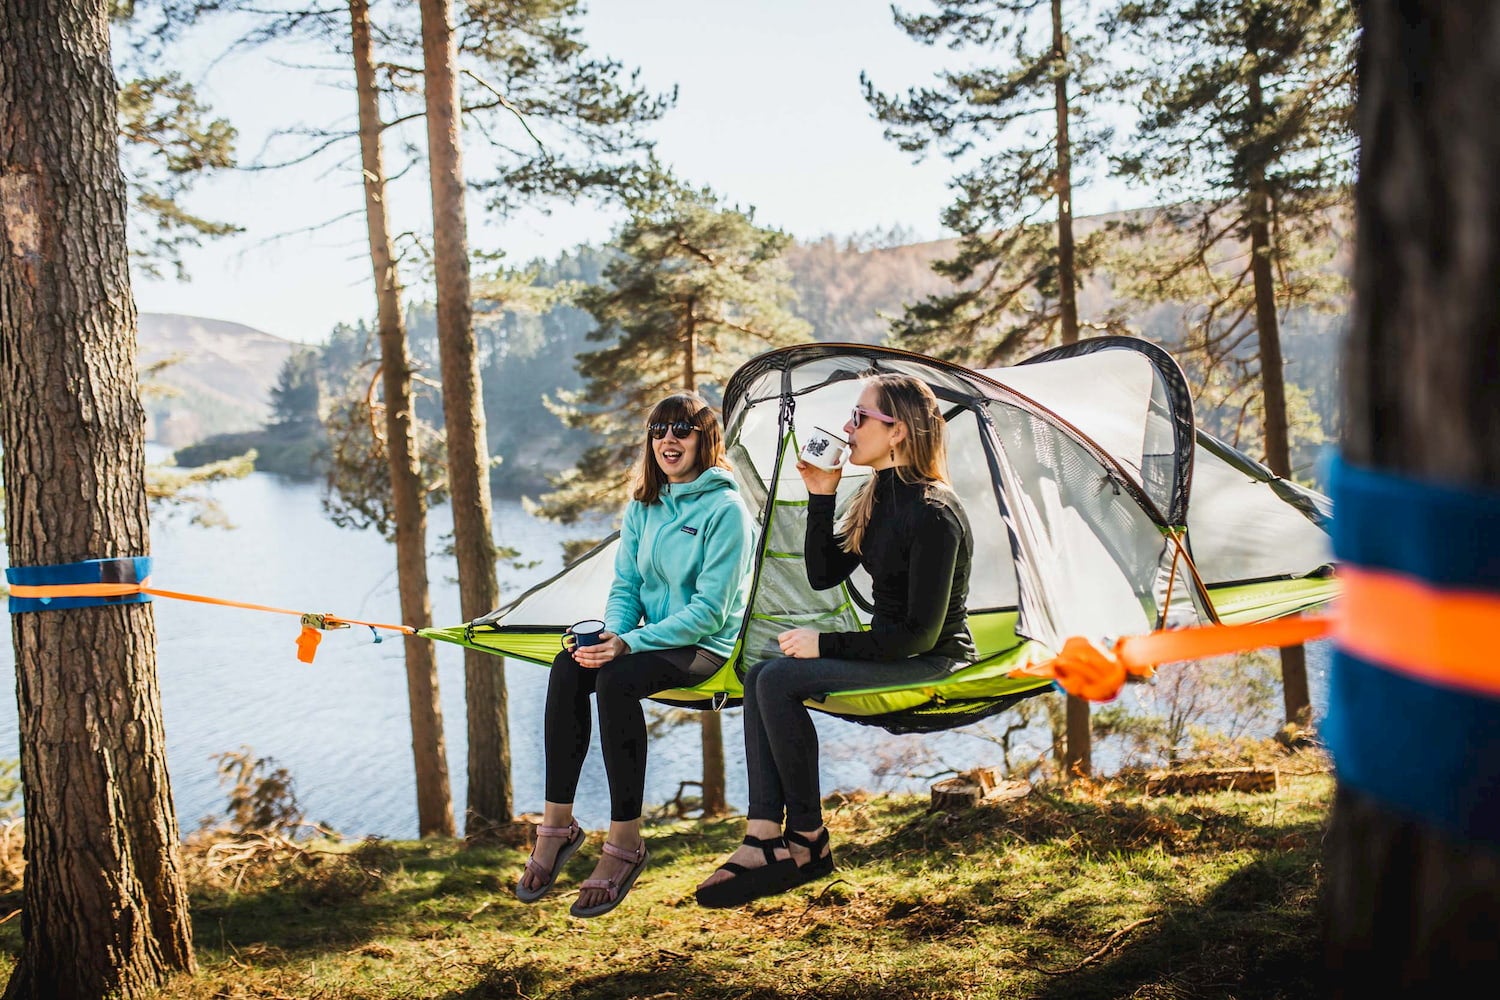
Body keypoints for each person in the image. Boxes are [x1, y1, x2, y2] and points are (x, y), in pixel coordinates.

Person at [696, 373, 976, 908]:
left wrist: (826, 645)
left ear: (897, 433)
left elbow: (920, 634)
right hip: (894, 648)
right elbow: (824, 575)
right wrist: (821, 495)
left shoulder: (933, 512)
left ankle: (807, 841)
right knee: (760, 674)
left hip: (933, 659)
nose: (848, 429)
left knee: (775, 679)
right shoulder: (876, 496)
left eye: (861, 418)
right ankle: (761, 836)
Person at [516, 393, 754, 918]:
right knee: (571, 665)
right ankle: (558, 826)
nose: (669, 439)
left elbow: (710, 613)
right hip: (649, 638)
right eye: (659, 429)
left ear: (704, 439)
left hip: (706, 648)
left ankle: (625, 844)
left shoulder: (727, 511)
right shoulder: (644, 504)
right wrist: (610, 638)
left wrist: (629, 645)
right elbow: (625, 587)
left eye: (682, 429)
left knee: (616, 681)